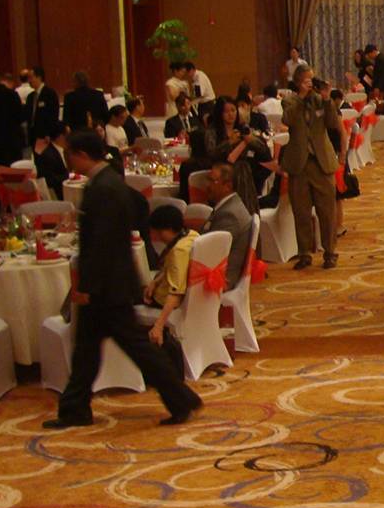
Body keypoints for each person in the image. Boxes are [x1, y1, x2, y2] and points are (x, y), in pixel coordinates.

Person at [44, 132, 202, 430]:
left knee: (133, 348)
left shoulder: (103, 188)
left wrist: (89, 285)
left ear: (81, 154)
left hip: (109, 285)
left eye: (70, 154)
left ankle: (180, 398)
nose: (68, 160)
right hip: (112, 282)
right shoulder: (110, 183)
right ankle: (75, 408)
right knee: (88, 350)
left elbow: (102, 243)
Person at [280, 65, 341, 270]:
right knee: (301, 211)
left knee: (327, 211)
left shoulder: (320, 100)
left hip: (321, 162)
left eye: (312, 80)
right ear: (298, 82)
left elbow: (332, 123)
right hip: (299, 163)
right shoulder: (290, 101)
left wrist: (326, 98)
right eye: (307, 80)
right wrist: (301, 96)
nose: (311, 83)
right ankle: (304, 252)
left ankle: (330, 252)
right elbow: (288, 120)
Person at [143, 203, 199, 352]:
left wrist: (158, 325)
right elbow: (172, 269)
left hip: (166, 300)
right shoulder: (192, 235)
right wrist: (155, 281)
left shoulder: (178, 251)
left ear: (165, 230)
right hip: (193, 297)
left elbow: (176, 292)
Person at [196, 163, 251, 291]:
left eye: (211, 181)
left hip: (219, 277)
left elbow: (212, 252)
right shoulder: (228, 206)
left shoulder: (229, 215)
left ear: (227, 186)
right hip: (214, 269)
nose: (207, 185)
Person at [0, 74, 25, 167]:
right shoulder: (13, 94)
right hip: (12, 140)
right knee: (14, 170)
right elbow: (21, 117)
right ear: (10, 82)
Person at [34, 124, 72, 200]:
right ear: (61, 137)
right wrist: (70, 175)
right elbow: (49, 180)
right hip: (56, 195)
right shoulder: (48, 155)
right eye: (69, 135)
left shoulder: (64, 150)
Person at [23, 67, 59, 143]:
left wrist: (49, 133)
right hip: (33, 135)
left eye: (31, 78)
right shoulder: (30, 97)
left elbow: (53, 115)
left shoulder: (49, 94)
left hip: (45, 135)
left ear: (39, 77)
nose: (29, 81)